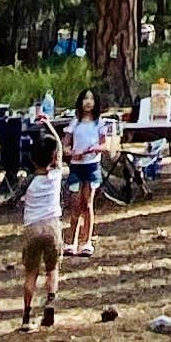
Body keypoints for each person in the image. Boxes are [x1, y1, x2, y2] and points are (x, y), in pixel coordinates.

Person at [13, 119, 65, 327]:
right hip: (52, 226)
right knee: (52, 269)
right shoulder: (56, 175)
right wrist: (49, 124)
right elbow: (59, 146)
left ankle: (26, 316)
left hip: (33, 228)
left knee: (31, 272)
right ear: (52, 158)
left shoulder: (29, 182)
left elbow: (14, 198)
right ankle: (50, 302)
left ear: (33, 160)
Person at [62, 97, 108, 260]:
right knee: (75, 203)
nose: (88, 102)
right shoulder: (75, 122)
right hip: (76, 166)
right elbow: (65, 145)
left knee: (87, 203)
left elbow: (105, 145)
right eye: (85, 99)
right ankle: (71, 240)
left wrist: (95, 148)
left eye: (91, 99)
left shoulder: (99, 123)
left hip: (92, 167)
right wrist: (72, 153)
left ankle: (86, 241)